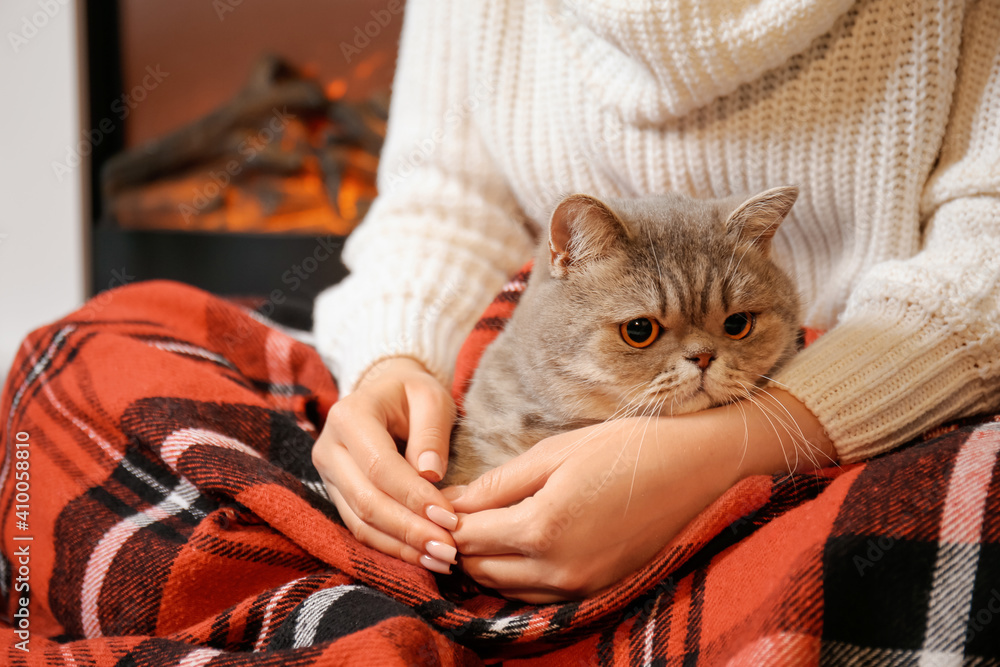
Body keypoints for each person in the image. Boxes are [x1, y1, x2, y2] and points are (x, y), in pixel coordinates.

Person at [310, 0, 1000, 602]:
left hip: (859, 397)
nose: (701, 355)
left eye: (734, 324)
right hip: (527, 351)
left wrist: (732, 449)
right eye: (643, 329)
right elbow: (442, 200)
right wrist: (389, 361)